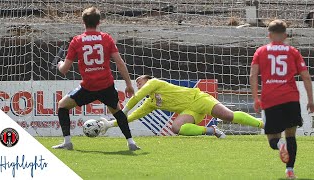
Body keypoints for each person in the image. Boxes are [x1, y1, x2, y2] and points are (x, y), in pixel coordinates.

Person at [52, 7, 140, 151]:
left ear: (83, 22)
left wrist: (59, 64)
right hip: (106, 85)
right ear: (99, 22)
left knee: (62, 106)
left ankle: (67, 142)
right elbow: (120, 63)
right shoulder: (106, 38)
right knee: (117, 111)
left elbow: (64, 70)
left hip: (88, 87)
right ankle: (131, 143)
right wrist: (129, 84)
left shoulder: (77, 41)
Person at [99, 75, 264, 138]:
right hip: (190, 111)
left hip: (199, 98)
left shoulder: (155, 83)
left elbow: (137, 97)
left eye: (139, 82)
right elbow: (134, 116)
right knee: (176, 127)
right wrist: (111, 124)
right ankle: (211, 131)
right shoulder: (151, 102)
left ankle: (262, 124)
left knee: (228, 116)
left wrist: (123, 109)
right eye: (137, 84)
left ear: (148, 80)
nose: (138, 85)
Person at [250, 19, 314, 179]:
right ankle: (290, 171)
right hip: (291, 98)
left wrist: (256, 98)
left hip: (271, 99)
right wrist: (311, 100)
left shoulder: (261, 52)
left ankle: (280, 145)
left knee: (273, 138)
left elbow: (253, 75)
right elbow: (306, 77)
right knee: (291, 135)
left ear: (269, 35)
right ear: (285, 35)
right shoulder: (293, 52)